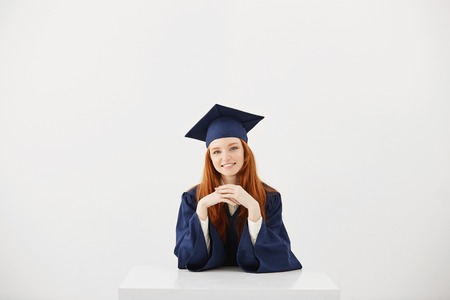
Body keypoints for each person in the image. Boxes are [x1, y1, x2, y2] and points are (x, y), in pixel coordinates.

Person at [174, 104, 302, 273]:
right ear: (210, 158)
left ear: (245, 152)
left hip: (257, 288)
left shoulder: (269, 198)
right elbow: (186, 258)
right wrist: (202, 209)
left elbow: (280, 255)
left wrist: (254, 208)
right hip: (206, 286)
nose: (225, 157)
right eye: (216, 151)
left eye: (233, 148)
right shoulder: (193, 198)